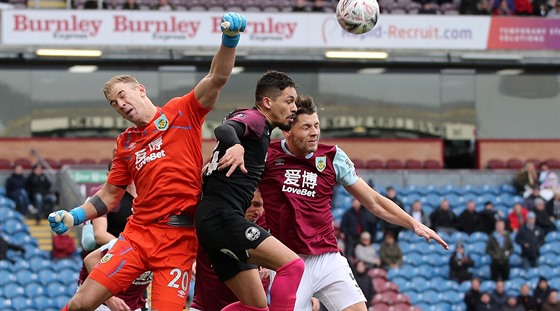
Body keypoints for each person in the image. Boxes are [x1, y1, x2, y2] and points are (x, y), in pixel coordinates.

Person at [47, 12, 247, 311]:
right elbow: (109, 196)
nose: (120, 105)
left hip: (178, 240)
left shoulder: (182, 112)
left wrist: (229, 40)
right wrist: (73, 216)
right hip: (137, 236)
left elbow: (216, 78)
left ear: (141, 90)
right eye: (114, 103)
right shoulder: (125, 142)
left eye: (122, 95)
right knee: (80, 304)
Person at [259, 95, 448, 310]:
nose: (314, 133)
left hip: (327, 257)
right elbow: (252, 204)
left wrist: (414, 223)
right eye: (306, 127)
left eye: (317, 125)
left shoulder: (332, 156)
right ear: (287, 130)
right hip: (288, 261)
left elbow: (374, 201)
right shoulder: (267, 156)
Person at [195, 70, 305, 311]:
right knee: (293, 266)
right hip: (221, 218)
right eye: (289, 101)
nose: (294, 108)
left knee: (256, 306)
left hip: (213, 221)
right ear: (267, 102)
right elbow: (225, 130)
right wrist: (235, 145)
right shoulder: (256, 119)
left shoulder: (262, 132)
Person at [190, 189, 270, 311]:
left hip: (249, 306)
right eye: (254, 204)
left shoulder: (267, 222)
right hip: (205, 305)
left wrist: (272, 268)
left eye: (262, 206)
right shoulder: (212, 218)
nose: (258, 212)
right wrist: (190, 261)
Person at [84, 239, 152, 311]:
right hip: (103, 303)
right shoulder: (125, 243)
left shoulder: (162, 253)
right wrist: (109, 300)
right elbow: (90, 260)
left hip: (133, 304)